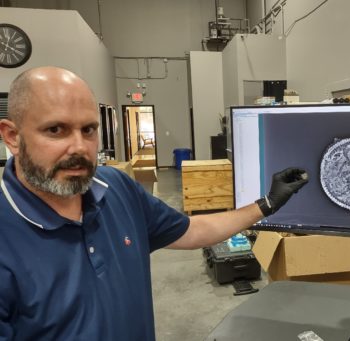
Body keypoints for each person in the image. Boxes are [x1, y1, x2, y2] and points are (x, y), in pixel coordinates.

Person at [0, 66, 309, 340]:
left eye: (89, 129)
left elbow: (193, 230)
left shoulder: (116, 188)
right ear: (12, 136)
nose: (79, 147)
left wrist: (267, 203)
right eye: (56, 130)